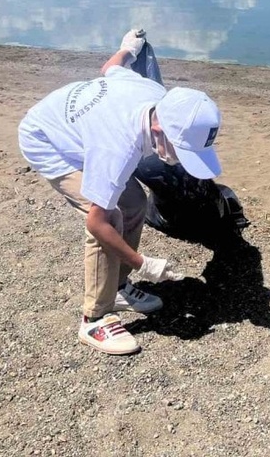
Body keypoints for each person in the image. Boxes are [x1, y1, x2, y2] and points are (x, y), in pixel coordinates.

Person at [18, 29, 224, 354]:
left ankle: (116, 286)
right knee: (109, 216)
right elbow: (96, 224)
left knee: (135, 202)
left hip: (77, 125)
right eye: (182, 149)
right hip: (47, 140)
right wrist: (142, 263)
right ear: (158, 128)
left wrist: (128, 49)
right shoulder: (117, 147)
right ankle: (94, 318)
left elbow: (110, 68)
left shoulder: (154, 93)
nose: (181, 158)